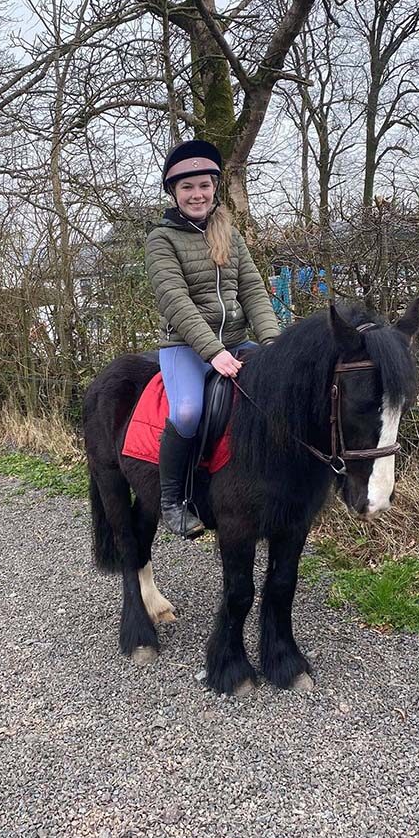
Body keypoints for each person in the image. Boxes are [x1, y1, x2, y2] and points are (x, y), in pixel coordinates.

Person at [145, 139, 280, 538]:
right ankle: (173, 500)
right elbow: (175, 300)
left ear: (214, 188)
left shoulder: (230, 235)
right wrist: (213, 352)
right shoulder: (161, 239)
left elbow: (253, 291)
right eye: (187, 187)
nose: (197, 194)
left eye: (203, 185)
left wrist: (272, 344)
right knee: (186, 411)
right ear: (173, 192)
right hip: (185, 347)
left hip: (237, 340)